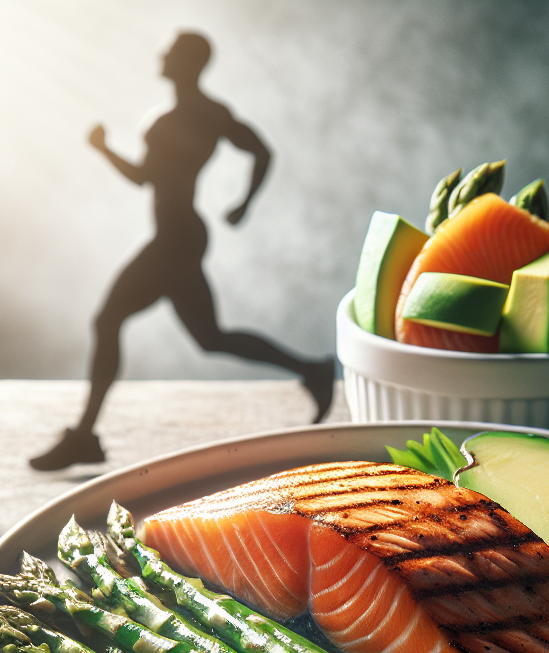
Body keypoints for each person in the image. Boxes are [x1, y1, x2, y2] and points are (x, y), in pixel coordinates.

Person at [31, 31, 333, 471]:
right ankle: (312, 369)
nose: (162, 55)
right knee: (210, 338)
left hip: (175, 239)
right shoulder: (199, 115)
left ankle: (84, 436)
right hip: (181, 236)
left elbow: (148, 176)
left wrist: (103, 149)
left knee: (108, 320)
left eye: (170, 52)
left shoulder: (185, 118)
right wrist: (243, 203)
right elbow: (253, 152)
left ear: (188, 62)